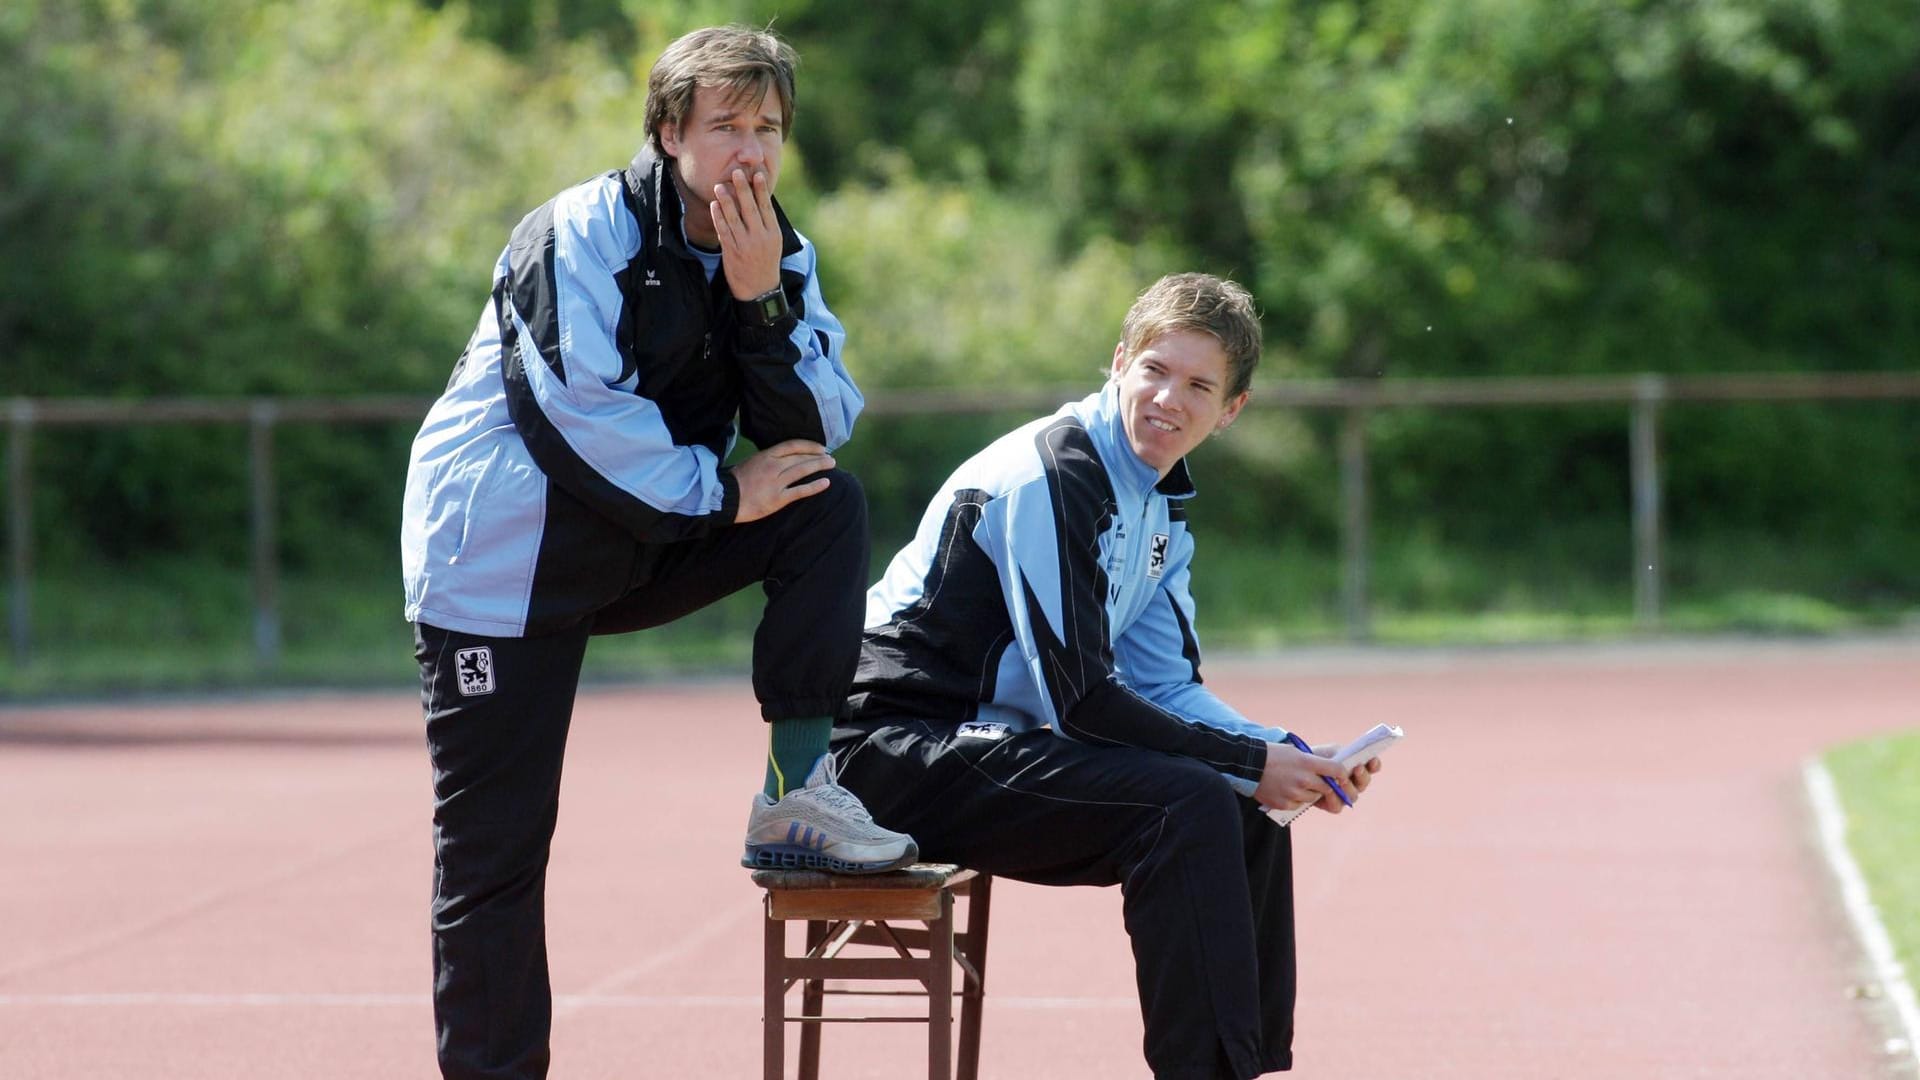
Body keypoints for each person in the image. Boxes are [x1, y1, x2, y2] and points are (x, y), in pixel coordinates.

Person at [399, 25, 915, 1080]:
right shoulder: (575, 233)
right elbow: (577, 418)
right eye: (726, 125)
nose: (751, 152)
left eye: (768, 127)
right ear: (670, 130)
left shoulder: (779, 247)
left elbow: (820, 421)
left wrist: (758, 295)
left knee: (824, 503)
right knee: (498, 854)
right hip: (500, 561)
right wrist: (723, 493)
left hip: (649, 529)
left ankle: (796, 793)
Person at [831, 273, 1382, 1079]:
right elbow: (1082, 703)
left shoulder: (1161, 504)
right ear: (1118, 362)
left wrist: (1289, 755)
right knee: (1196, 795)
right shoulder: (1058, 475)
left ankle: (1238, 1067)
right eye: (1155, 369)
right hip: (888, 753)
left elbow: (1165, 689)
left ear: (1231, 411)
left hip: (989, 746)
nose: (1169, 398)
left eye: (1199, 385)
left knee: (1246, 805)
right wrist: (1252, 764)